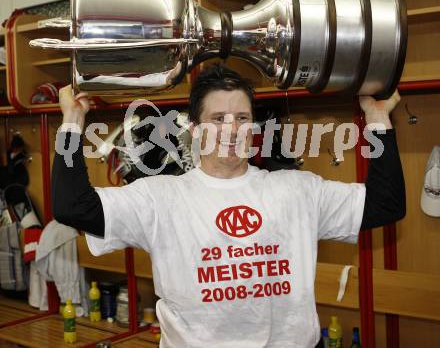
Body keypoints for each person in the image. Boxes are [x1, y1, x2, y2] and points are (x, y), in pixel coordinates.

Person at [52, 64, 405, 347]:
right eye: (218, 119)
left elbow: (385, 204)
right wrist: (72, 121)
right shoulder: (160, 197)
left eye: (242, 118)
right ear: (194, 128)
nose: (232, 129)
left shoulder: (297, 190)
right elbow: (74, 207)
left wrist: (377, 118)